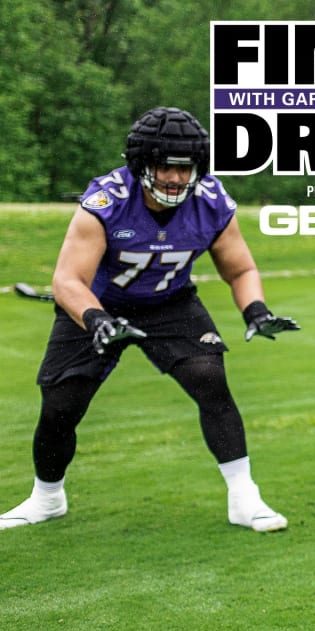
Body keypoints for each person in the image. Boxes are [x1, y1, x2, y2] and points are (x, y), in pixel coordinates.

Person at [0, 107, 298, 533]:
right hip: (97, 302)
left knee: (209, 378)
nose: (176, 179)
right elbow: (67, 280)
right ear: (142, 164)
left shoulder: (211, 203)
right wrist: (96, 319)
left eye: (185, 168)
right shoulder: (106, 202)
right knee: (62, 402)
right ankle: (47, 498)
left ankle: (244, 498)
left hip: (170, 302)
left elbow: (241, 269)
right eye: (164, 167)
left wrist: (256, 310)